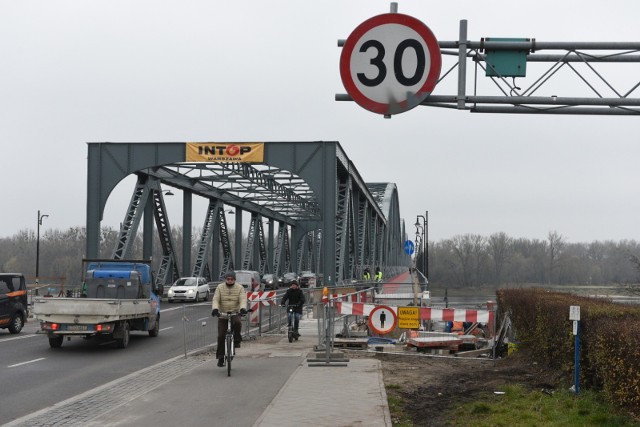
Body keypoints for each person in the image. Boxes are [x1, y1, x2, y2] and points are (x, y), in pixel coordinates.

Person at [211, 271, 247, 367]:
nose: (230, 281)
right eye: (228, 279)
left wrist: (243, 308)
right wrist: (215, 309)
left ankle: (237, 340)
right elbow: (216, 299)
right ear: (225, 279)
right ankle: (220, 358)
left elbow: (243, 298)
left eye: (232, 279)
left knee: (238, 322)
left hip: (235, 312)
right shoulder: (220, 287)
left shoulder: (239, 288)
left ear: (234, 279)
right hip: (223, 314)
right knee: (221, 336)